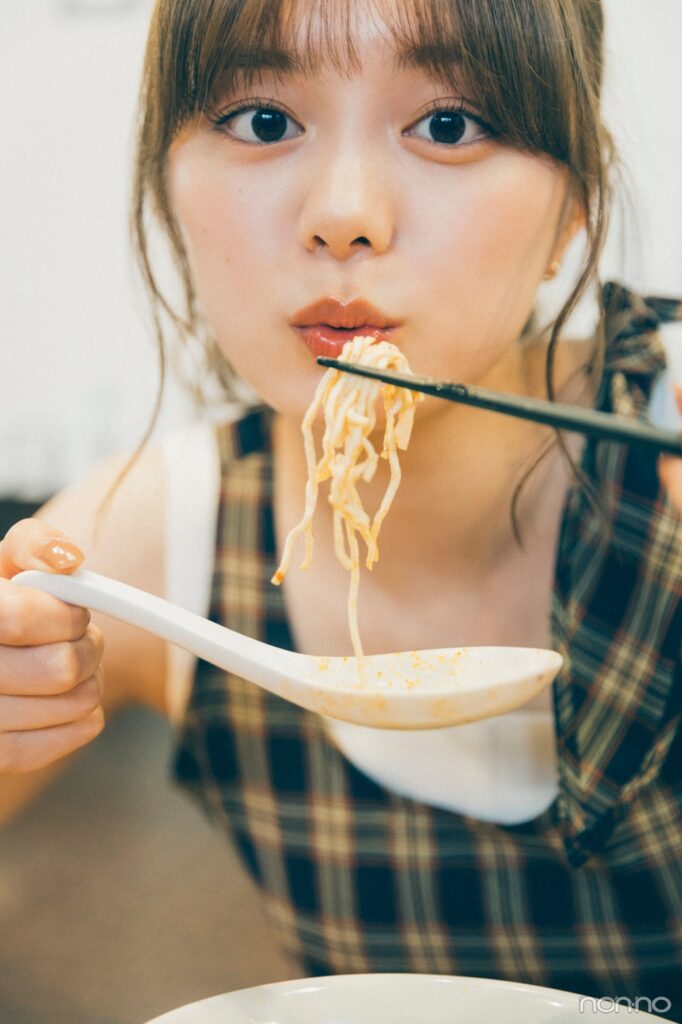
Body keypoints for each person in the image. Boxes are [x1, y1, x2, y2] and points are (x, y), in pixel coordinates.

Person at [1, 0, 681, 1015]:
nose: (345, 212)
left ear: (572, 208)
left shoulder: (665, 423)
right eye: (262, 121)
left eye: (449, 123)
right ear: (166, 185)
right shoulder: (143, 546)